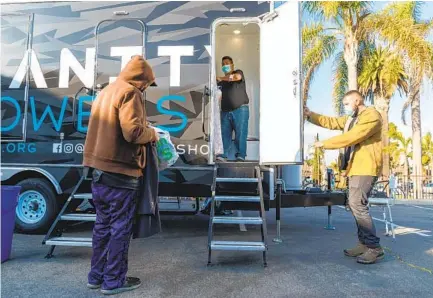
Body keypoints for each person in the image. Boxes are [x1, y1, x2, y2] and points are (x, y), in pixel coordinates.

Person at [83, 55, 159, 295]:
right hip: (121, 174)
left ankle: (96, 277)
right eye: (147, 83)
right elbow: (133, 133)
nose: (146, 88)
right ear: (141, 79)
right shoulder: (131, 93)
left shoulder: (106, 91)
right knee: (120, 229)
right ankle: (114, 281)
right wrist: (153, 133)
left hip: (99, 173)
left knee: (102, 227)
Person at [304, 90, 384, 264]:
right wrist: (310, 115)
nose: (345, 107)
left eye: (347, 104)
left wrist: (324, 143)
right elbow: (331, 122)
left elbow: (352, 137)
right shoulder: (351, 119)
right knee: (354, 204)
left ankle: (374, 247)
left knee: (357, 204)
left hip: (367, 167)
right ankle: (363, 244)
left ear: (357, 100)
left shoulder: (372, 116)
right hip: (355, 167)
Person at [216, 56, 250, 162]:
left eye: (227, 63)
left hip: (240, 109)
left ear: (232, 65)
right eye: (223, 64)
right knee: (224, 134)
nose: (225, 65)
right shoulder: (221, 83)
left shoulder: (237, 73)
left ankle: (241, 155)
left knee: (240, 133)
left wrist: (220, 78)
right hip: (225, 111)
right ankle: (223, 154)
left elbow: (237, 77)